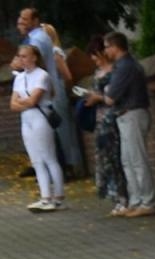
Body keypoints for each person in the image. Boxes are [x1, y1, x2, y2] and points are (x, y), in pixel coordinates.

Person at [96, 32, 155, 217]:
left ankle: (147, 201)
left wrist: (101, 96)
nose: (106, 51)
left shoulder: (125, 67)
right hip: (125, 115)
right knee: (128, 160)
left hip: (132, 113)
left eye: (107, 47)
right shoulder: (122, 66)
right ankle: (136, 200)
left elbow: (111, 97)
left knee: (137, 160)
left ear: (115, 47)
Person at [10, 44, 63, 212]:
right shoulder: (19, 78)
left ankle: (59, 196)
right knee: (36, 160)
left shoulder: (42, 76)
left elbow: (34, 100)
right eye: (20, 56)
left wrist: (22, 101)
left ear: (34, 57)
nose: (22, 59)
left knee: (49, 157)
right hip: (26, 119)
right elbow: (13, 104)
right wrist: (23, 102)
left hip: (40, 117)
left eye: (25, 56)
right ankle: (45, 196)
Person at [86, 37, 128, 215]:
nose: (94, 59)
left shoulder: (114, 70)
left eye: (95, 54)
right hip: (100, 118)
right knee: (105, 158)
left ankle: (123, 196)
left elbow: (112, 95)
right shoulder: (98, 72)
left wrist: (98, 97)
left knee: (115, 157)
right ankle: (115, 196)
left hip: (111, 117)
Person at [39, 23, 84, 179]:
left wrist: (63, 87)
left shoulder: (54, 52)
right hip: (47, 92)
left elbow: (67, 75)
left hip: (56, 92)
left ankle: (72, 163)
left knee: (63, 127)